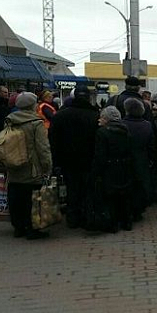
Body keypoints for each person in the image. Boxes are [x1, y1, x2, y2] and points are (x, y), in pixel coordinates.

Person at [48, 85, 99, 228]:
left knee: (71, 189)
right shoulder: (95, 115)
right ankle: (86, 216)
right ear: (89, 98)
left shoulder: (61, 115)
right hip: (89, 160)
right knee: (87, 189)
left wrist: (56, 161)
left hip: (68, 161)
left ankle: (72, 217)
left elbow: (53, 140)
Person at [5, 92, 52, 239]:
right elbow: (42, 148)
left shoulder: (9, 120)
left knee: (15, 196)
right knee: (32, 199)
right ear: (33, 105)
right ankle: (32, 228)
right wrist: (47, 166)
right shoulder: (36, 122)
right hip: (32, 167)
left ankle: (18, 227)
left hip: (13, 164)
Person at [92, 106, 134, 232]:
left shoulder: (102, 132)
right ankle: (127, 221)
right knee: (124, 195)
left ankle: (113, 223)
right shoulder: (126, 130)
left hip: (109, 168)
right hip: (125, 166)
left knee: (110, 197)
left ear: (106, 118)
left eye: (102, 117)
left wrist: (96, 171)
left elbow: (100, 154)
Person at [122, 97, 155, 219]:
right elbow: (151, 146)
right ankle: (138, 210)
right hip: (142, 159)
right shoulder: (147, 125)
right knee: (140, 185)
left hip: (126, 159)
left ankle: (128, 210)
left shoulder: (122, 124)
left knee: (127, 185)